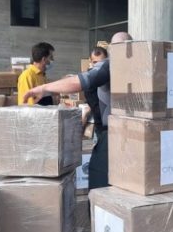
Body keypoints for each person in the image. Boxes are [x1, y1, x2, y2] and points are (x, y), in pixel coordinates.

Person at [22, 32, 132, 190]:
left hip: (113, 134)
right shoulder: (141, 67)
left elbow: (78, 82)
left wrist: (43, 89)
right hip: (135, 133)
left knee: (100, 181)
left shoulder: (110, 65)